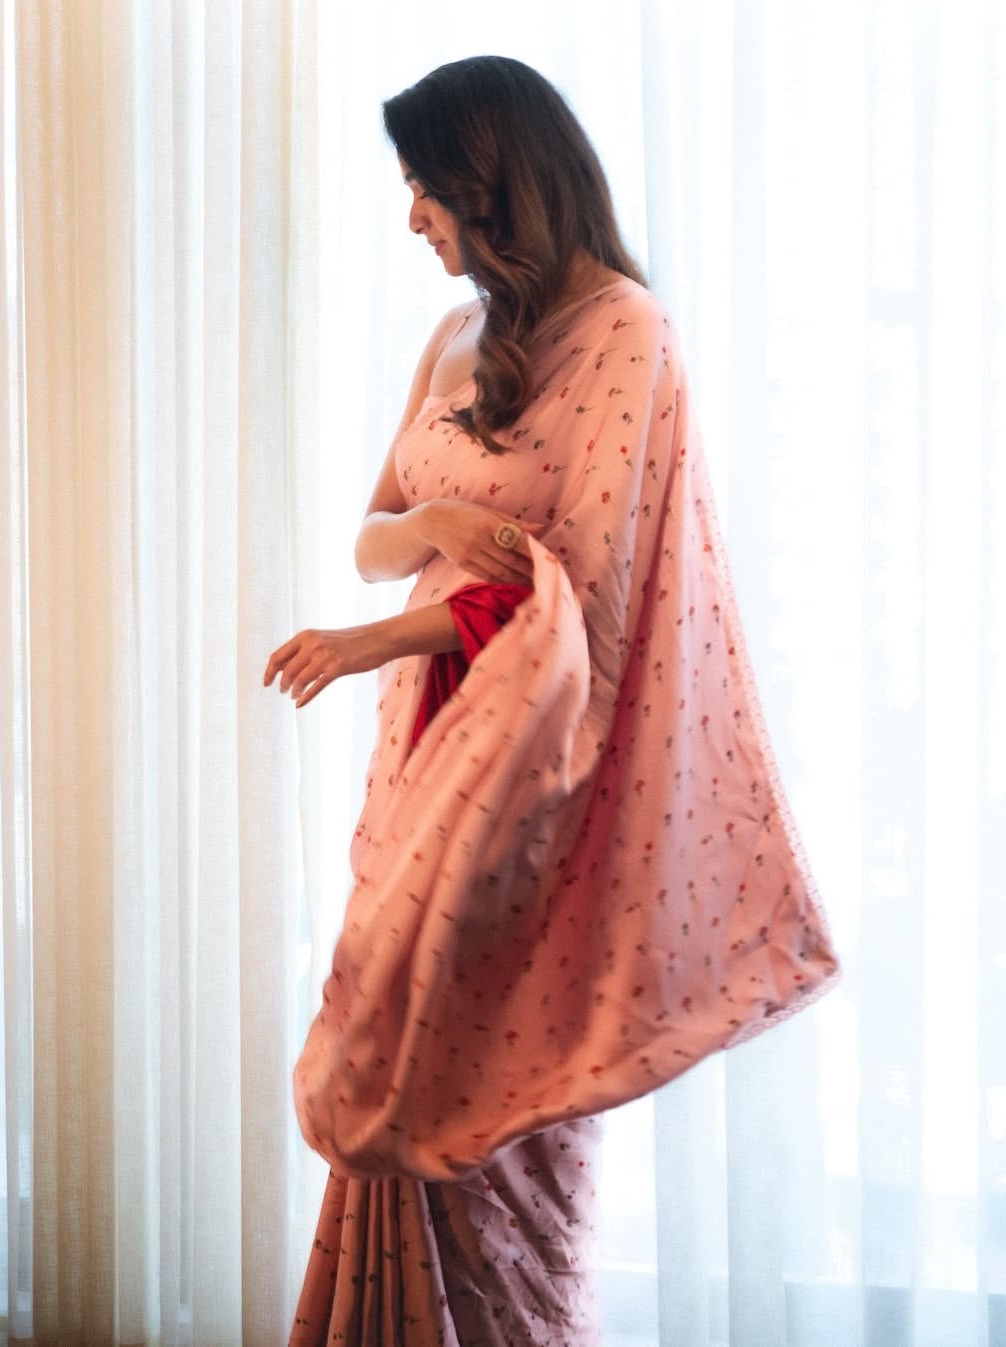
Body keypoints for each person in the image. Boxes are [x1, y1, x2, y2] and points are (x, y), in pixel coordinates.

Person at [265, 55, 839, 1347]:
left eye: (427, 189)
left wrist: (371, 641)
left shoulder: (627, 333)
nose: (412, 217)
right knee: (399, 1057)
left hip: (534, 775)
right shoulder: (454, 334)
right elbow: (374, 533)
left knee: (486, 1115)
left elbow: (582, 591)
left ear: (497, 183)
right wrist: (445, 520)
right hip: (427, 755)